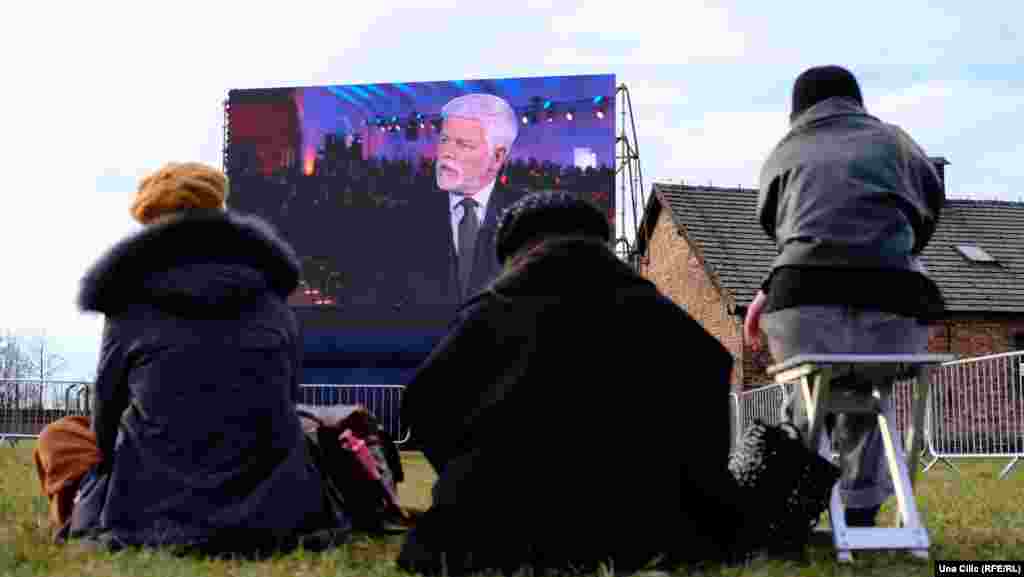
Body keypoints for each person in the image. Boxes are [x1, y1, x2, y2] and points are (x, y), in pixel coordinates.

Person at [397, 192, 749, 575]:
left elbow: (425, 404)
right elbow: (708, 421)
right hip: (653, 533)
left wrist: (475, 473)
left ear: (514, 251)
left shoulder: (487, 314)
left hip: (497, 535)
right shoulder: (672, 326)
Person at [34, 162, 347, 555]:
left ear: (151, 226)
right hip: (272, 511)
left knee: (60, 436)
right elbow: (286, 399)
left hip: (150, 512)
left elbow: (104, 425)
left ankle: (76, 514)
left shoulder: (126, 304)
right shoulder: (273, 300)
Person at [746, 65, 945, 528]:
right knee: (871, 391)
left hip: (802, 305)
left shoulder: (786, 150)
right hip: (895, 305)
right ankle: (860, 509)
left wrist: (773, 285)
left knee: (807, 392)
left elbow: (778, 229)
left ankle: (791, 506)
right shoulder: (898, 143)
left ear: (797, 111)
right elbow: (928, 212)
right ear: (857, 101)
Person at [361, 93, 527, 311]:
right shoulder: (404, 216)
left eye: (463, 144)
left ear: (497, 157)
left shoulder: (528, 219)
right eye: (444, 140)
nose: (446, 153)